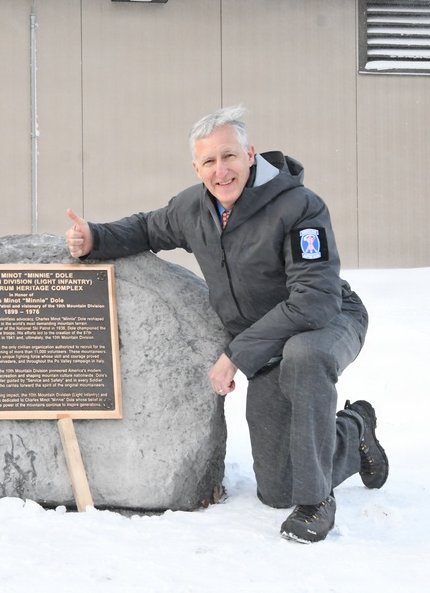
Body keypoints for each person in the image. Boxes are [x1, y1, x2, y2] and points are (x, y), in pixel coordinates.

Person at [64, 104, 387, 543]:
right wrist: (95, 238)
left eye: (229, 156)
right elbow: (146, 229)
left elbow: (314, 301)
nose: (221, 170)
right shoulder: (193, 208)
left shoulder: (300, 207)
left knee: (304, 355)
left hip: (328, 320)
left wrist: (236, 354)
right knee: (276, 488)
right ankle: (354, 431)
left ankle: (316, 502)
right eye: (210, 161)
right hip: (268, 342)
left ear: (250, 154)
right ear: (196, 167)